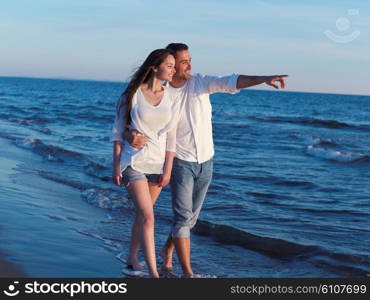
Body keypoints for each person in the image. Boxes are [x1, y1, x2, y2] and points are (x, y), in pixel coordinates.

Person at [128, 43, 288, 277]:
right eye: (183, 61)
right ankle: (188, 273)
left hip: (206, 160)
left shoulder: (200, 83)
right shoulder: (162, 93)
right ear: (169, 65)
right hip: (180, 160)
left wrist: (263, 78)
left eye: (188, 60)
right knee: (182, 218)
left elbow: (231, 81)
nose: (188, 65)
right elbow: (139, 121)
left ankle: (167, 251)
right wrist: (132, 137)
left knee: (190, 219)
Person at [111, 48, 182, 278]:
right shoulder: (131, 94)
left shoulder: (171, 97)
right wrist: (116, 165)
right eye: (169, 65)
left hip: (157, 165)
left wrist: (168, 170)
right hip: (133, 162)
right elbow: (118, 131)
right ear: (154, 67)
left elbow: (171, 138)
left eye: (174, 66)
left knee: (142, 216)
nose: (174, 70)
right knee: (148, 216)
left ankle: (132, 258)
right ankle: (154, 274)